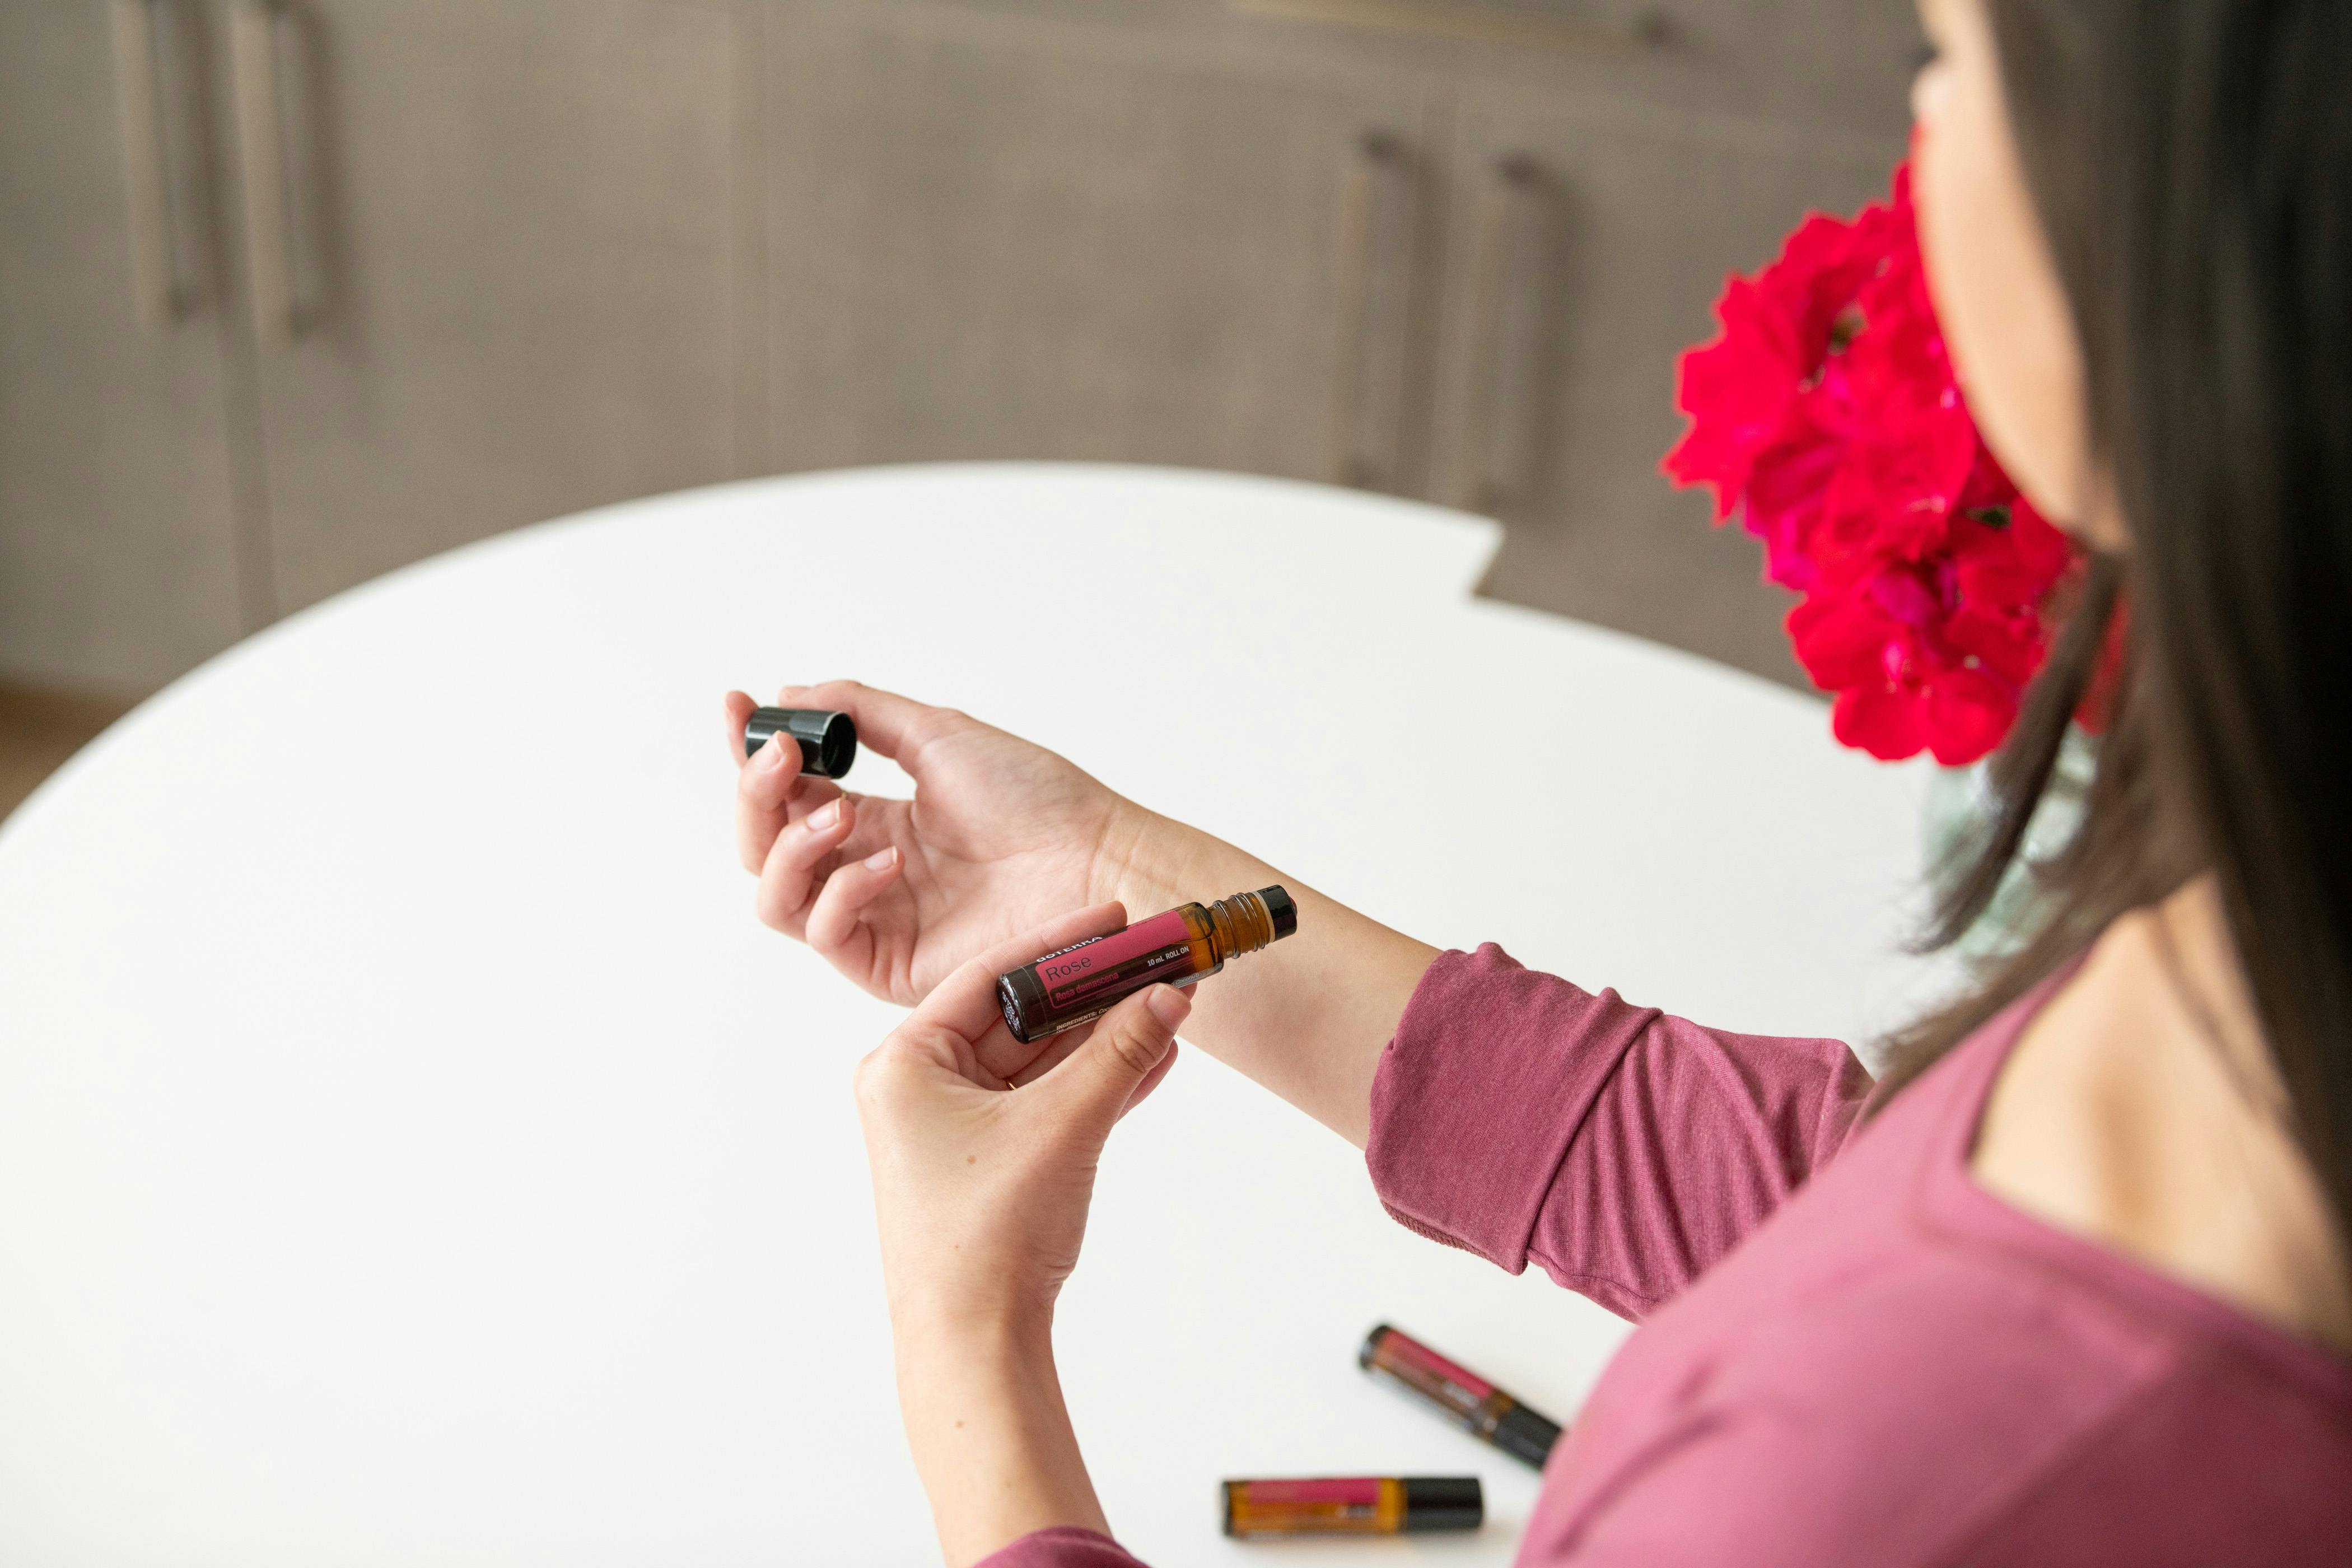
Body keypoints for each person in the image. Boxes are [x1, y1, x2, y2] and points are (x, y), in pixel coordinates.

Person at [721, 0, 2352, 1560]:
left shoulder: (1862, 1504)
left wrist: (964, 1329)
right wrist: (1099, 872)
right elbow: (1831, 1194)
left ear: (2206, 233)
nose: (1920, 129)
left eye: (1956, 53)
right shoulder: (2257, 978)